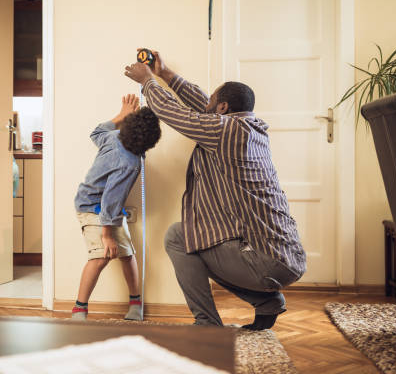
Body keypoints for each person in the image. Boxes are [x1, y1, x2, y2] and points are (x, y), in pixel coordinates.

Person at [124, 50, 306, 330]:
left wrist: (148, 81)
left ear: (222, 108)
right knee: (194, 236)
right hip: (283, 255)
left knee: (179, 238)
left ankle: (207, 324)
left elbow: (175, 113)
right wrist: (165, 73)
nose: (206, 103)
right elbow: (202, 106)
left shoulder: (226, 131)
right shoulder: (247, 127)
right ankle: (266, 303)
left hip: (265, 259)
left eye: (212, 102)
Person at [72, 94, 161, 321]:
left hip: (107, 208)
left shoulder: (113, 136)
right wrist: (107, 234)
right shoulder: (129, 163)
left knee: (127, 254)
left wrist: (121, 117)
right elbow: (111, 200)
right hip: (93, 206)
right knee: (101, 257)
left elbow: (97, 132)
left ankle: (135, 303)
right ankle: (79, 309)